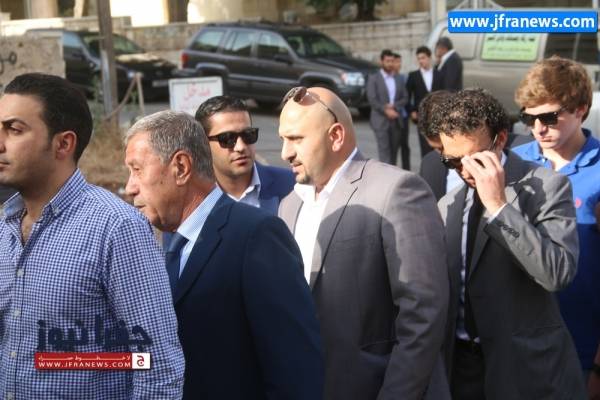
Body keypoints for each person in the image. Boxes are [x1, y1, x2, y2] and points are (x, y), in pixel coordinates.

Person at [0, 73, 184, 398]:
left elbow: (157, 365)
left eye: (14, 130)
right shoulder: (5, 226)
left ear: (63, 144)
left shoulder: (117, 228)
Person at [124, 110, 324, 400]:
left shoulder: (256, 235)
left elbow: (296, 368)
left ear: (180, 167)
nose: (130, 187)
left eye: (137, 170)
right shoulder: (168, 241)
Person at [278, 86, 450, 399]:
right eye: (282, 139)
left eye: (296, 138)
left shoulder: (398, 190)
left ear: (336, 136)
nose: (285, 152)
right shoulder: (289, 205)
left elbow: (423, 316)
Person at [434, 88, 585, 399]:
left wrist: (499, 206)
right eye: (452, 162)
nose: (465, 171)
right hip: (461, 370)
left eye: (475, 158)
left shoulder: (548, 187)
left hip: (526, 372)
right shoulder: (447, 204)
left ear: (500, 139)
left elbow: (557, 274)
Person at [512, 56, 600, 397]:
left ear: (581, 109)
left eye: (549, 117)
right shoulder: (515, 161)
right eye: (528, 118)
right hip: (519, 344)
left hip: (580, 348)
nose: (538, 128)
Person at [195, 95, 294, 214]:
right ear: (204, 144)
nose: (240, 147)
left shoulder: (291, 185)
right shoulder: (191, 199)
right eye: (227, 138)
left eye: (248, 135)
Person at [366, 49, 409, 168]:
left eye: (392, 61)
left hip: (396, 120)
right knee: (385, 153)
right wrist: (385, 110)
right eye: (387, 61)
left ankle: (392, 175)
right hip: (380, 121)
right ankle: (386, 176)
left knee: (394, 153)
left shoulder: (399, 78)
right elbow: (372, 99)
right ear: (382, 61)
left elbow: (405, 97)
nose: (390, 64)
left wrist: (394, 106)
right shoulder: (374, 78)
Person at [406, 45, 443, 158]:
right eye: (419, 59)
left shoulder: (439, 74)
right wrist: (411, 111)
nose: (421, 61)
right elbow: (407, 96)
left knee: (440, 146)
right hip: (421, 117)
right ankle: (427, 167)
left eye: (423, 58)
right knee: (425, 147)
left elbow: (444, 93)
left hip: (438, 116)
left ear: (429, 58)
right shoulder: (413, 76)